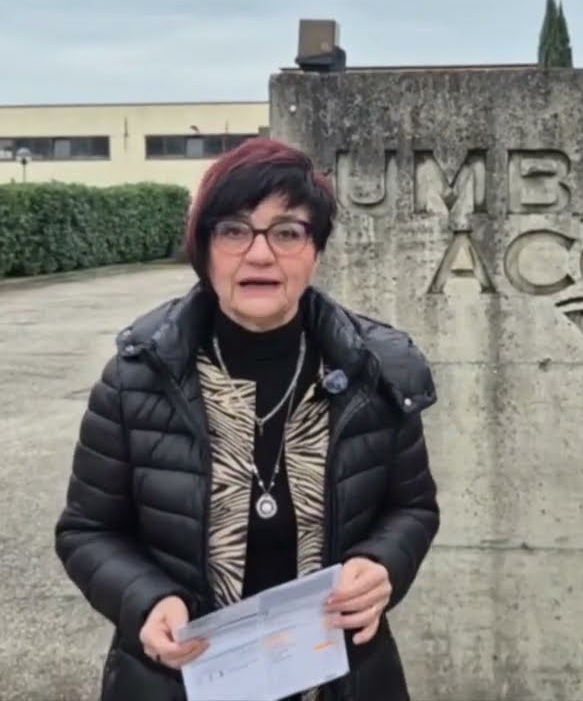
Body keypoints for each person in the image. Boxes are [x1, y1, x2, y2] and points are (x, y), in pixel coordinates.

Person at [54, 137, 440, 701]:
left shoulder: (375, 372)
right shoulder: (139, 376)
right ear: (204, 247)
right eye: (234, 230)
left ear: (317, 250)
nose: (260, 255)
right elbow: (87, 530)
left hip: (341, 678)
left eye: (287, 232)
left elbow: (412, 506)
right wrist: (146, 600)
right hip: (176, 681)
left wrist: (383, 564)